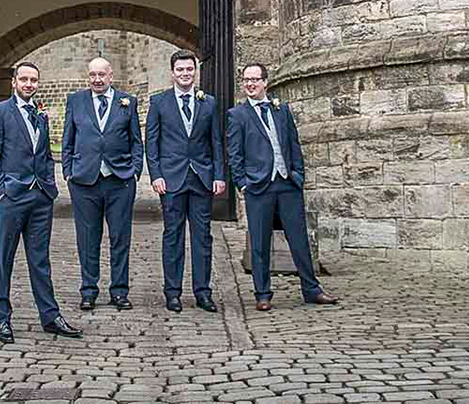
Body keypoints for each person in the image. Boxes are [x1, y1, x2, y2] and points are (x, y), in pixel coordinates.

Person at [225, 62, 339, 312]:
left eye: (255, 79)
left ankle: (312, 289)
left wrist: (298, 175)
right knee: (260, 242)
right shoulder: (237, 115)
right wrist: (243, 183)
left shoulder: (282, 110)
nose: (250, 84)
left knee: (299, 240)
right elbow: (234, 154)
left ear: (266, 82)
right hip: (258, 186)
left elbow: (293, 144)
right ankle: (262, 293)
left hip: (287, 184)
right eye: (246, 80)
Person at [0, 61, 82, 343]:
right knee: (4, 258)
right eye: (24, 79)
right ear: (14, 82)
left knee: (40, 260)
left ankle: (50, 317)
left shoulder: (41, 116)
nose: (29, 84)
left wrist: (49, 186)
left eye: (33, 80)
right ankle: (2, 319)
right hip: (12, 197)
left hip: (40, 198)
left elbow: (46, 154)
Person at [142, 49, 225, 313]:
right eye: (180, 70)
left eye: (189, 69)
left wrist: (219, 175)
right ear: (172, 72)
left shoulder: (208, 103)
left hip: (201, 178)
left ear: (195, 71)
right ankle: (173, 292)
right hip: (171, 179)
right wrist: (155, 175)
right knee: (172, 236)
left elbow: (216, 142)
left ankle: (203, 292)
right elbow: (151, 143)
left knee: (203, 237)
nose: (185, 74)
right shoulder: (159, 103)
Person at [61, 56, 142, 311]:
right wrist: (68, 171)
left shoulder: (127, 102)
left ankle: (119, 291)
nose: (97, 79)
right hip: (85, 181)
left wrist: (135, 171)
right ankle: (88, 290)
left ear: (111, 76)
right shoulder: (76, 101)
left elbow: (135, 141)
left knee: (120, 237)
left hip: (120, 181)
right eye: (92, 75)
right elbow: (68, 139)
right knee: (87, 238)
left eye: (101, 75)